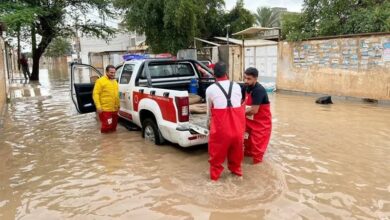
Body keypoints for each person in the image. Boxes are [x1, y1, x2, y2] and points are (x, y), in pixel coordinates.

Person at [206, 62, 246, 181]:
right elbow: (238, 104)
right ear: (226, 74)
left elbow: (209, 111)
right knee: (236, 155)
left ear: (214, 75)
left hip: (221, 130)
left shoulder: (210, 89)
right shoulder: (237, 86)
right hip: (238, 128)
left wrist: (208, 124)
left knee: (216, 158)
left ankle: (215, 179)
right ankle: (237, 175)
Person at [242, 67, 272, 164]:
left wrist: (238, 113)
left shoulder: (259, 90)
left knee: (258, 147)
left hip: (261, 123)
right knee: (246, 143)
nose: (246, 81)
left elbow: (254, 110)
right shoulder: (245, 87)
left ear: (255, 78)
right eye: (245, 78)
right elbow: (242, 102)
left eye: (249, 79)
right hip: (249, 121)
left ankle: (257, 166)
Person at [93, 65, 120, 133]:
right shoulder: (100, 81)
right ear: (106, 72)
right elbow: (95, 94)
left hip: (114, 109)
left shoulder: (114, 81)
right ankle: (105, 141)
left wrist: (118, 105)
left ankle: (113, 141)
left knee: (114, 126)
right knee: (107, 125)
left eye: (114, 72)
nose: (113, 74)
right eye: (111, 72)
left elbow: (116, 95)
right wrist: (98, 107)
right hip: (105, 109)